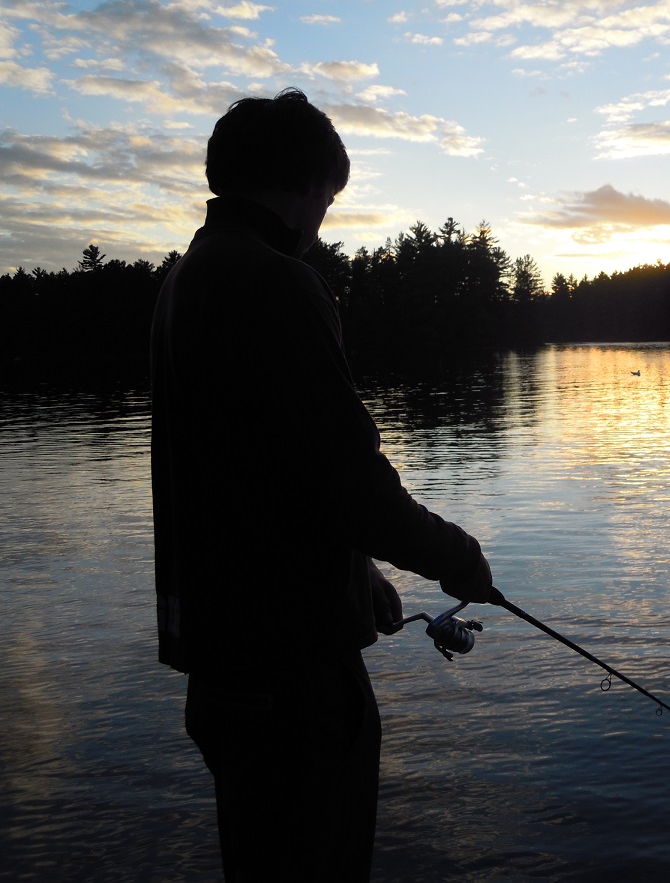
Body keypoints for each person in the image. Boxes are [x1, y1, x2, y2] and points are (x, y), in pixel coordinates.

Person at [150, 88, 494, 881]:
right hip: (292, 673)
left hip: (223, 666)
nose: (321, 225)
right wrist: (457, 556)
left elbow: (266, 467)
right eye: (327, 201)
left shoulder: (186, 280)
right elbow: (349, 477)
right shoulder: (275, 282)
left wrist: (358, 566)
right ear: (300, 185)